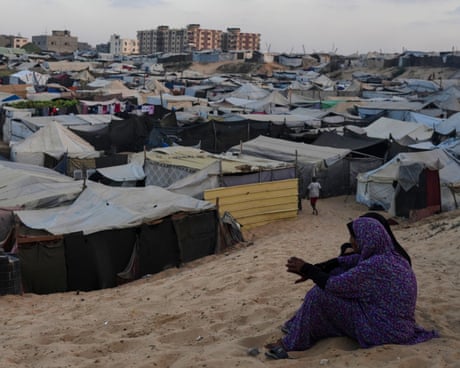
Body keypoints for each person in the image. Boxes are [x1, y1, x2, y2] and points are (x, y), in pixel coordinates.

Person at [265, 216, 438, 360]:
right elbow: (344, 262)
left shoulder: (375, 266)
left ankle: (291, 344)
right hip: (400, 327)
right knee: (338, 271)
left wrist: (307, 269)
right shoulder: (393, 256)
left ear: (365, 238)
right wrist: (316, 268)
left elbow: (333, 286)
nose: (350, 242)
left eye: (353, 237)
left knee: (318, 295)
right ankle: (299, 324)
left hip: (383, 331)